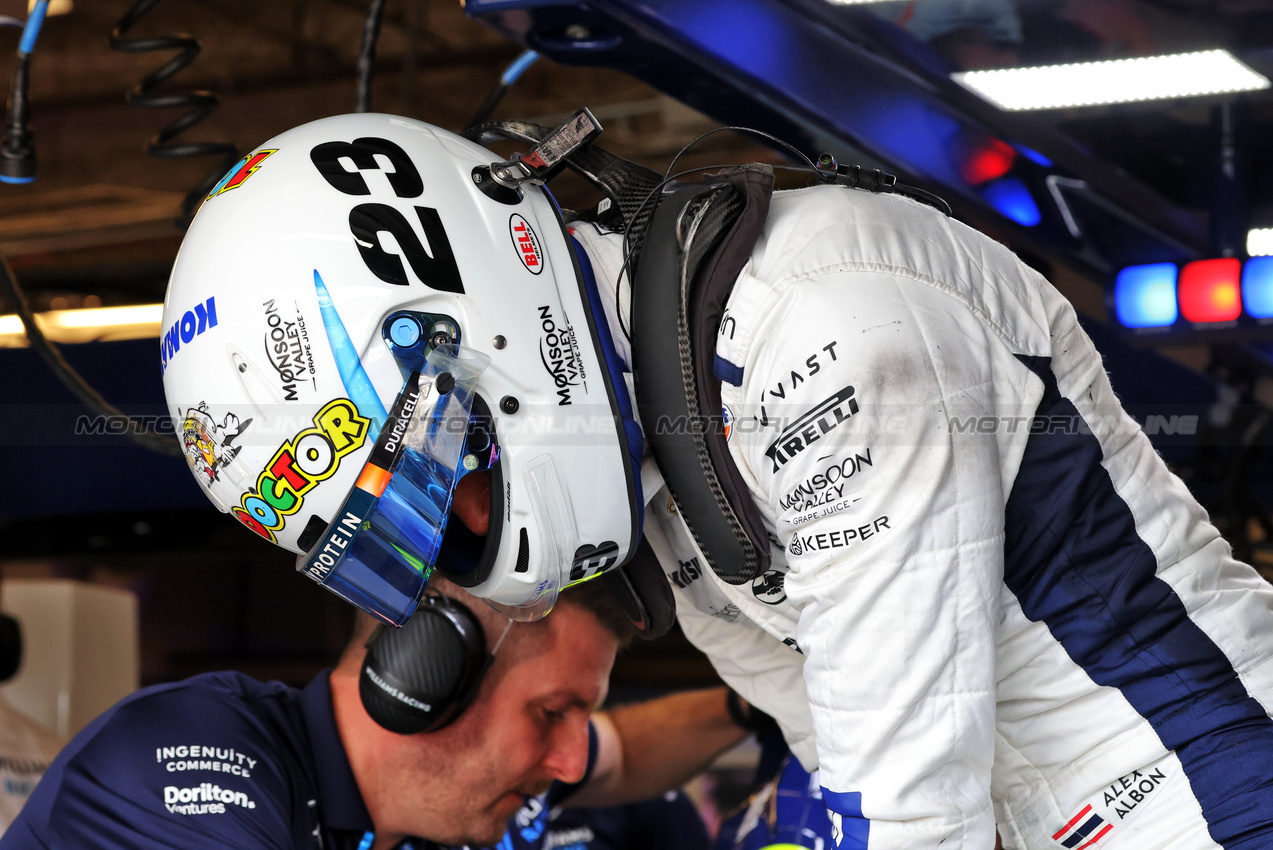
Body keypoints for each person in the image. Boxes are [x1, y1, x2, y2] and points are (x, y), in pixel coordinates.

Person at [157, 111, 1273, 850]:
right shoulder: (667, 468)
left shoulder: (820, 324)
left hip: (1210, 789)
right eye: (411, 528)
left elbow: (903, 806)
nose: (470, 531)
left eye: (439, 482)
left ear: (475, 317)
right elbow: (840, 765)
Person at [0, 577, 750, 849]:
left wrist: (757, 706)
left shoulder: (426, 810)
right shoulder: (199, 760)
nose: (565, 760)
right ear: (424, 674)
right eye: (552, 712)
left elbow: (617, 752)